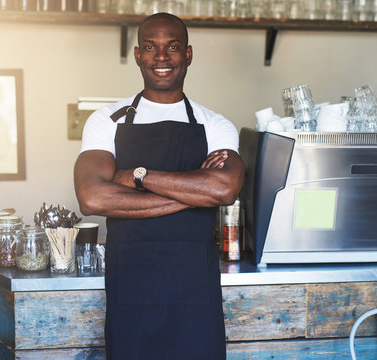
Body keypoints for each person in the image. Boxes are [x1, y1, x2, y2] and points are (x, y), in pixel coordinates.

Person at [73, 12, 244, 360]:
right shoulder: (107, 119)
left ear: (188, 54)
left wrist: (136, 175)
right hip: (131, 284)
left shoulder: (215, 124)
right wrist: (196, 193)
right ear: (138, 55)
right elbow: (91, 197)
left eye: (173, 47)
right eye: (150, 47)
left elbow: (225, 190)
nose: (161, 57)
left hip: (196, 286)